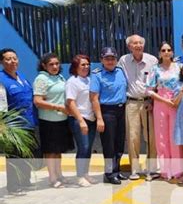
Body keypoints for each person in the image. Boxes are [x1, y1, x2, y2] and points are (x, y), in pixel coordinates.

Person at [118, 34, 158, 180]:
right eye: (134, 43)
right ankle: (134, 169)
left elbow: (157, 81)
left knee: (151, 137)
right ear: (129, 46)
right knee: (133, 137)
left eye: (140, 43)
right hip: (132, 103)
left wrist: (152, 99)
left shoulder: (152, 60)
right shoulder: (123, 60)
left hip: (149, 102)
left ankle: (152, 169)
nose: (138, 45)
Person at [0, 48, 38, 196]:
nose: (12, 61)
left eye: (14, 58)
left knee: (26, 154)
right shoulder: (2, 81)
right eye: (8, 59)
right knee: (14, 156)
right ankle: (13, 185)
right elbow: (1, 106)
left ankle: (25, 181)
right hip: (13, 126)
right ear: (2, 62)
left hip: (28, 122)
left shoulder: (22, 77)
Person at [33, 53, 74, 188]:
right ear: (44, 65)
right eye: (51, 64)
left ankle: (59, 174)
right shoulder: (41, 79)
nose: (55, 66)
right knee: (51, 150)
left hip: (61, 119)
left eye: (57, 63)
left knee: (58, 150)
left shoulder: (59, 77)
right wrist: (57, 107)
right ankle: (52, 178)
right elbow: (38, 101)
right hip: (48, 120)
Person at [147, 41, 183, 183]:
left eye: (169, 50)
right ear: (159, 53)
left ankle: (177, 169)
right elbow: (149, 90)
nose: (166, 52)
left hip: (176, 104)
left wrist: (178, 98)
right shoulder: (155, 69)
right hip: (160, 104)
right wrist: (163, 100)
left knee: (175, 136)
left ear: (173, 52)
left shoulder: (179, 67)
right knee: (161, 137)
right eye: (163, 50)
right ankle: (165, 170)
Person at [90, 47, 128, 185]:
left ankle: (116, 171)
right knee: (109, 145)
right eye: (107, 58)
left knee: (119, 143)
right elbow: (94, 98)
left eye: (112, 58)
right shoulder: (97, 75)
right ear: (101, 60)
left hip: (121, 111)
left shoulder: (120, 72)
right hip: (107, 112)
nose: (110, 61)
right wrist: (99, 118)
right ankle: (109, 173)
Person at [65, 54, 98, 187]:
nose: (86, 67)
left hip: (91, 118)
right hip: (80, 119)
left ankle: (85, 173)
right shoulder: (73, 81)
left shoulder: (89, 80)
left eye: (87, 64)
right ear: (75, 67)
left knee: (88, 148)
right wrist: (80, 120)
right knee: (83, 147)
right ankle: (79, 176)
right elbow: (70, 102)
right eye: (82, 65)